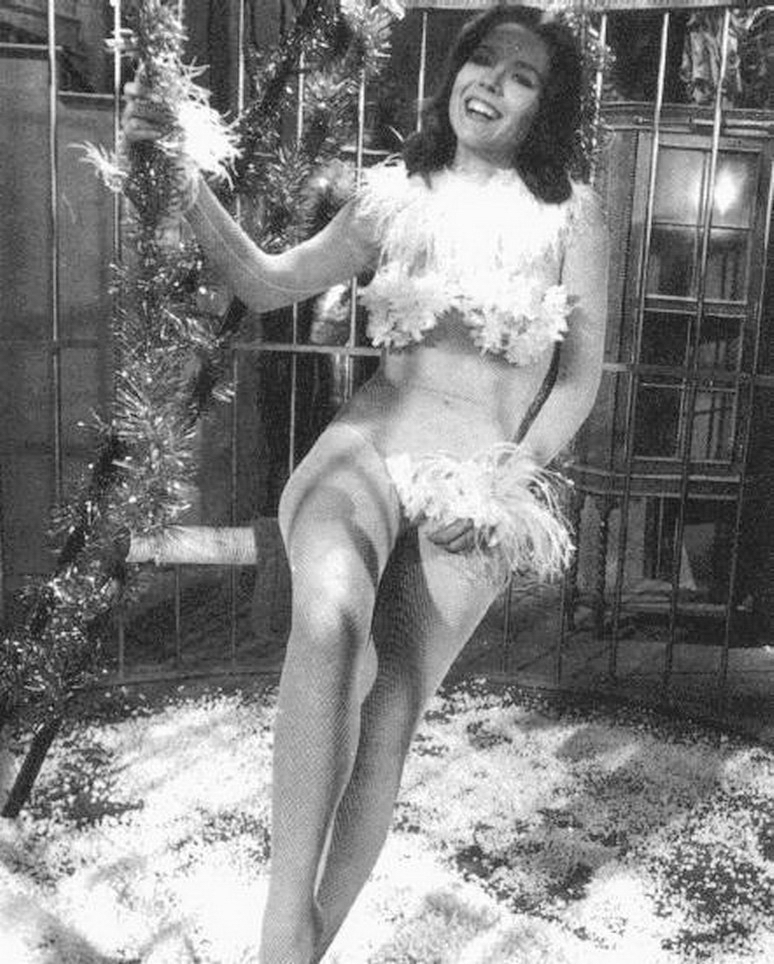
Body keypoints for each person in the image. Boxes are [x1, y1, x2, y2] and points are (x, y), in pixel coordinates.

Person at [123, 5, 608, 962]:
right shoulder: (394, 196)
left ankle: (301, 951)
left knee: (388, 718)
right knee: (330, 625)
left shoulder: (574, 216)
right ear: (454, 70)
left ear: (545, 107)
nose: (491, 81)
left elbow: (579, 381)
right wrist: (178, 171)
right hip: (361, 457)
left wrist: (506, 482)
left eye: (522, 76)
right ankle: (280, 929)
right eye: (482, 59)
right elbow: (266, 281)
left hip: (476, 487)